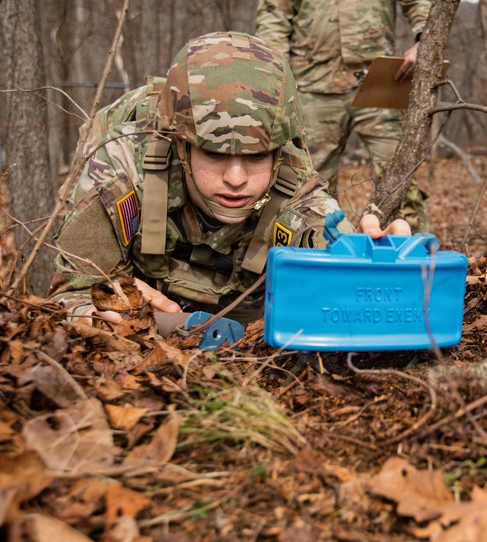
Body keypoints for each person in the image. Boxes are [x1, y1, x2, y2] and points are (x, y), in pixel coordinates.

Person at [50, 32, 410, 326]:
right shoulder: (121, 165)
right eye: (215, 154)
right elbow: (70, 297)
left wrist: (368, 263)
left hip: (242, 310)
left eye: (255, 157)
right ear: (182, 146)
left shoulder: (292, 177)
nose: (236, 178)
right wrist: (128, 314)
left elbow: (324, 242)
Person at [254, 0, 433, 232]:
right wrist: (274, 72)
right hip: (310, 84)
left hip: (379, 79)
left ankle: (410, 265)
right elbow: (274, 12)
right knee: (302, 187)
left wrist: (424, 41)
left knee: (400, 179)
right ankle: (316, 266)